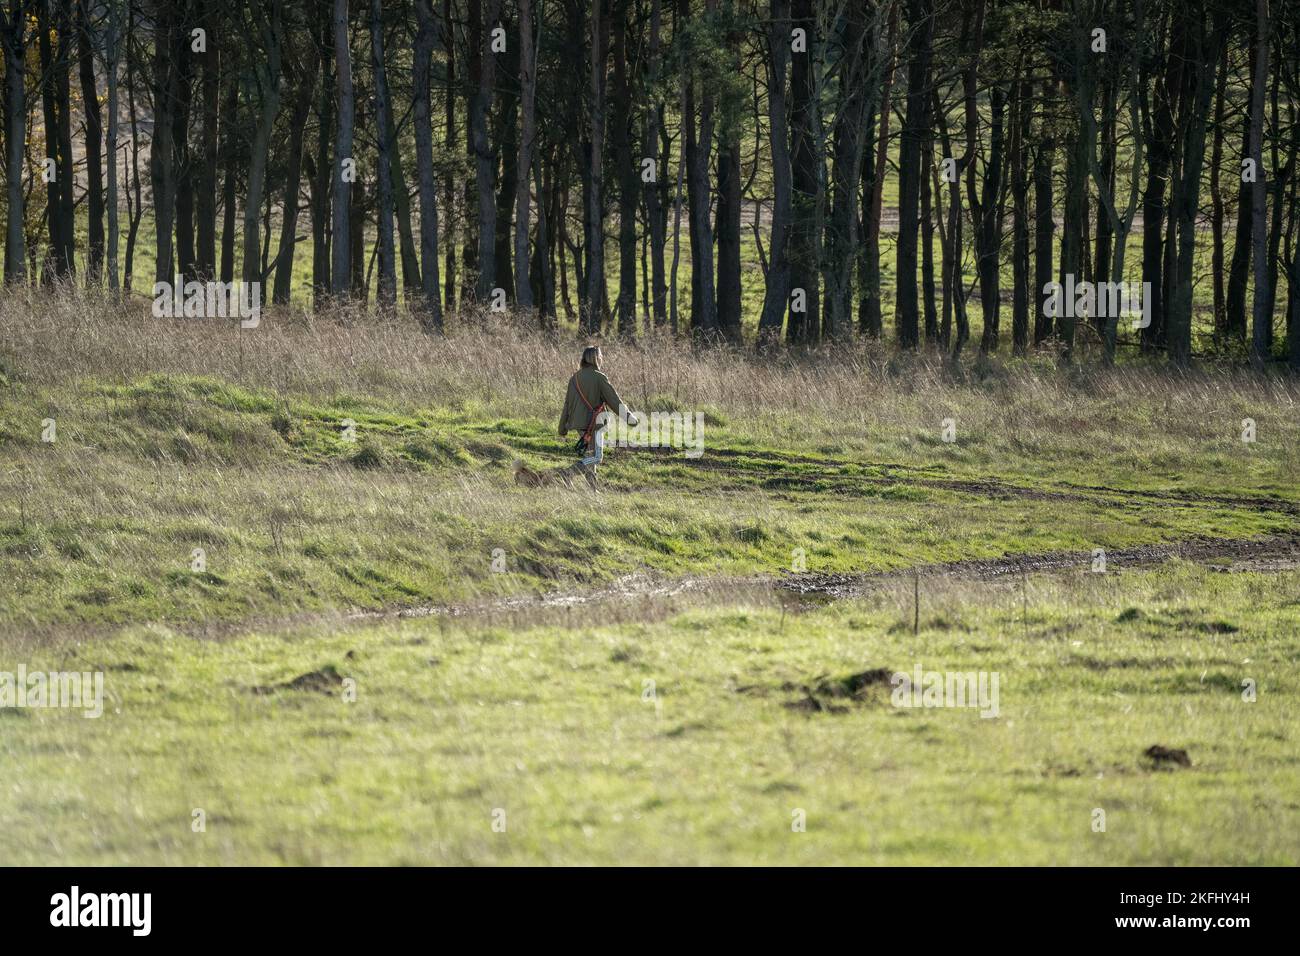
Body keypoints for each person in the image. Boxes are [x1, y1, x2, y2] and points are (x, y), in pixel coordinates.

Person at [558, 346, 638, 490]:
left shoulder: (574, 378)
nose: (602, 358)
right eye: (600, 355)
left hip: (579, 424)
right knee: (596, 457)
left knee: (590, 456)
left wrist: (562, 426)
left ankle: (593, 490)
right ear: (596, 358)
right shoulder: (599, 377)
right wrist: (630, 418)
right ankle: (568, 473)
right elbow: (615, 401)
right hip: (594, 424)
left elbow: (567, 404)